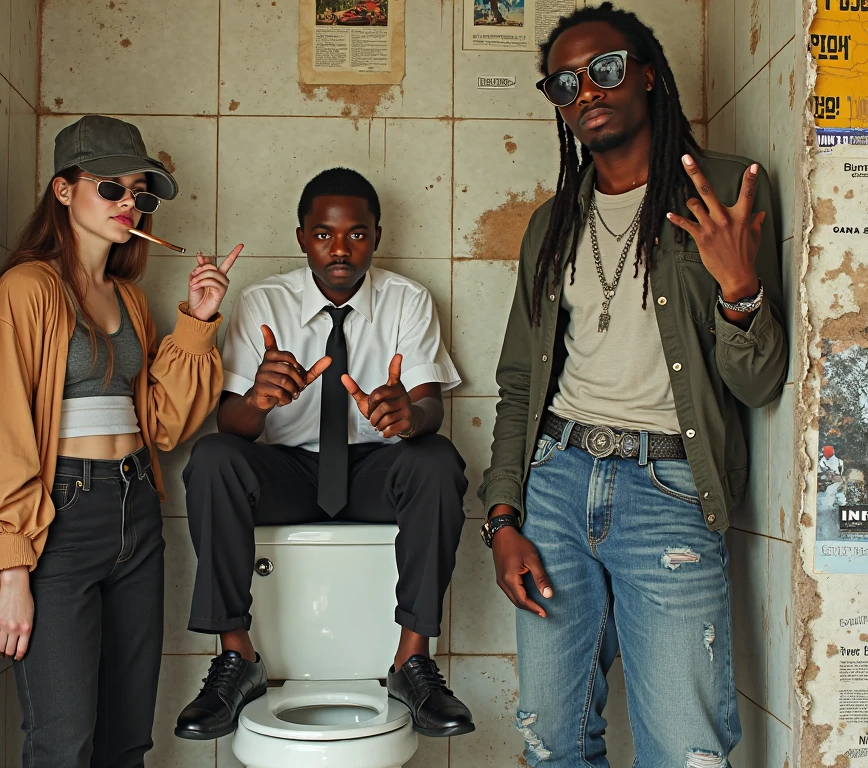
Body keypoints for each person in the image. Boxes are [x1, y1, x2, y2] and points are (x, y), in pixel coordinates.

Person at [477, 4, 787, 765]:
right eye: (565, 84)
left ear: (647, 74)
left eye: (606, 69)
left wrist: (740, 290)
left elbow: (760, 383)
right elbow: (521, 383)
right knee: (551, 741)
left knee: (687, 747)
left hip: (671, 489)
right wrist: (502, 518)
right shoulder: (552, 224)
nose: (587, 91)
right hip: (553, 486)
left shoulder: (725, 191)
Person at [0, 115, 242, 768]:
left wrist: (196, 323)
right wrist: (11, 566)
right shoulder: (27, 290)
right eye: (110, 188)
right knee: (63, 741)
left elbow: (164, 426)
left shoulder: (132, 301)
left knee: (126, 742)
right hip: (58, 519)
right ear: (63, 191)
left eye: (139, 194)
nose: (128, 205)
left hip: (138, 510)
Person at [175, 167, 474, 741]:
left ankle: (410, 662)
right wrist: (259, 400)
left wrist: (409, 417)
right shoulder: (264, 301)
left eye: (356, 234)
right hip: (288, 471)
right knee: (213, 456)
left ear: (377, 237)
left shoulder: (407, 301)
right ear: (301, 237)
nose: (340, 249)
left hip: (371, 472)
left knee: (435, 456)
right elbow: (231, 423)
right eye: (323, 235)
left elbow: (430, 406)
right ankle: (237, 659)